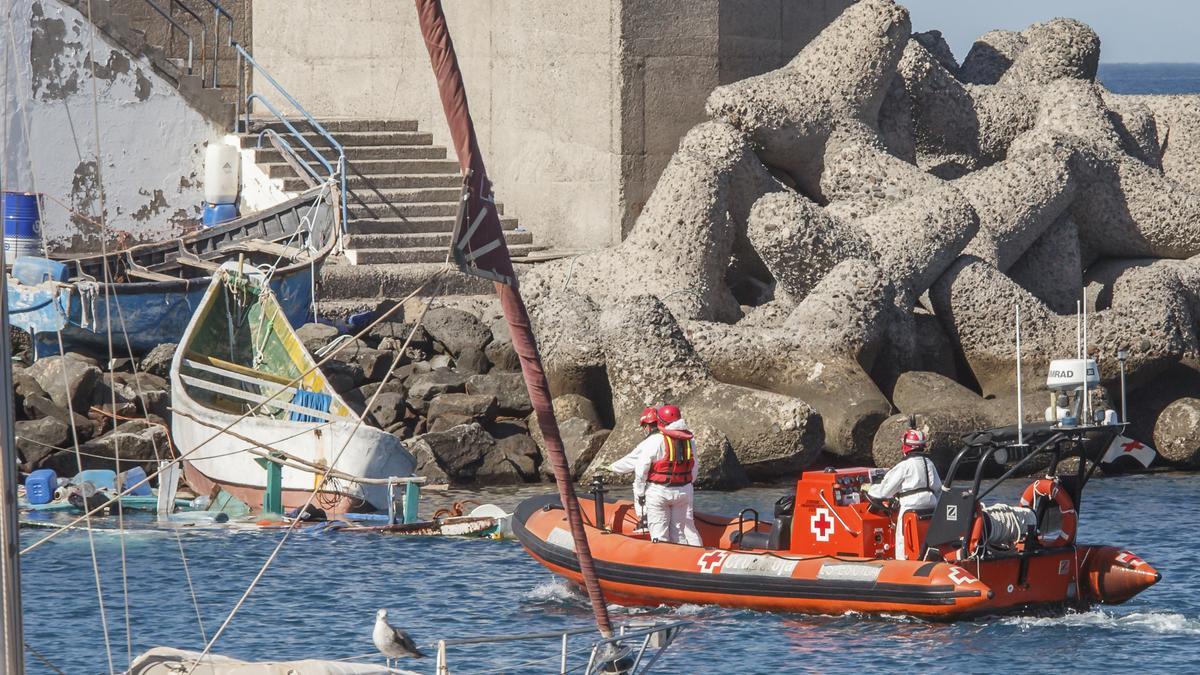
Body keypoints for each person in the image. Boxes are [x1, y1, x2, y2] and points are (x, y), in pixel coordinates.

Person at [864, 429, 941, 560]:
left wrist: (869, 488)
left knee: (903, 537)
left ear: (906, 446)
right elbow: (937, 486)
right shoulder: (929, 463)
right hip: (931, 502)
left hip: (910, 504)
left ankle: (902, 562)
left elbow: (885, 491)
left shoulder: (904, 466)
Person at [633, 404, 702, 546]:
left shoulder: (656, 440)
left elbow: (641, 470)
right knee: (679, 533)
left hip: (659, 492)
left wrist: (640, 493)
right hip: (683, 491)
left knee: (659, 536)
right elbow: (694, 467)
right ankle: (684, 562)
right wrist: (687, 485)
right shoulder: (689, 440)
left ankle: (663, 563)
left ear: (661, 421)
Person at [606, 407, 662, 528]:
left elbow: (633, 462)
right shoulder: (677, 440)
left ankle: (645, 519)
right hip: (683, 488)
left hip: (658, 489)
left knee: (638, 485)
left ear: (647, 426)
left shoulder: (649, 442)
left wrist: (611, 468)